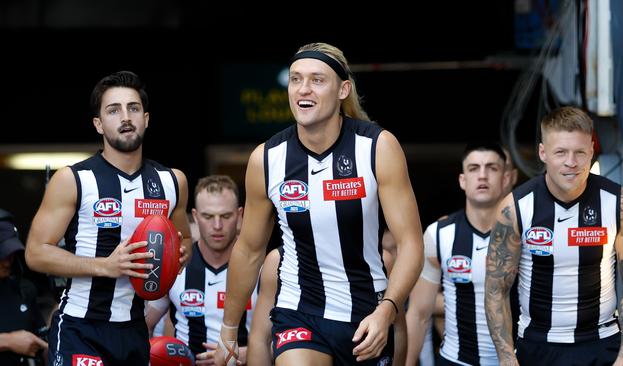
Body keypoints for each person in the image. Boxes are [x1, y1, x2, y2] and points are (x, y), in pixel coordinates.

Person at [202, 42, 424, 365]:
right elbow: (249, 250)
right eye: (295, 79)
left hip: (367, 313)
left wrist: (387, 310)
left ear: (343, 89)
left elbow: (411, 244)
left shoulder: (377, 147)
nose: (303, 89)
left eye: (317, 80)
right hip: (300, 312)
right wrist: (229, 328)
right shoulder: (267, 159)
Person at [25, 70, 192, 365]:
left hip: (135, 329)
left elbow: (185, 242)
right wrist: (105, 266)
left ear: (147, 118)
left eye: (133, 108)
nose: (125, 117)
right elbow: (36, 253)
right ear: (99, 124)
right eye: (113, 110)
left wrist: (179, 255)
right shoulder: (74, 178)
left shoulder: (172, 181)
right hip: (81, 326)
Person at [485, 106, 623, 365]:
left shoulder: (619, 204)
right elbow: (496, 289)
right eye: (560, 152)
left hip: (601, 344)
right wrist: (506, 358)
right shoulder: (515, 208)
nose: (571, 162)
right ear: (543, 153)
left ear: (592, 152)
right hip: (538, 346)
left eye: (579, 152)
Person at [405, 142, 509, 366]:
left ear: (506, 179)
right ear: (463, 180)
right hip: (456, 360)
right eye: (473, 168)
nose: (482, 175)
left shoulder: (525, 233)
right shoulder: (439, 234)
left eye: (492, 168)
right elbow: (419, 314)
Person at [247, 230, 409, 366]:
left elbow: (398, 328)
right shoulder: (277, 262)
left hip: (362, 349)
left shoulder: (381, 260)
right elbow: (260, 338)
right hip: (303, 330)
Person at [146, 175, 257, 362]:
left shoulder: (260, 268)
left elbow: (285, 336)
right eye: (208, 216)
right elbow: (141, 325)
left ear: (240, 216)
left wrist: (246, 353)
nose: (217, 226)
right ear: (195, 217)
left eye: (226, 216)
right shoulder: (176, 264)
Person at [0, 210, 48, 366]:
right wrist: (8, 341)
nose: (8, 262)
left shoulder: (24, 288)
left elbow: (41, 339)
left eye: (11, 254)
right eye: (2, 255)